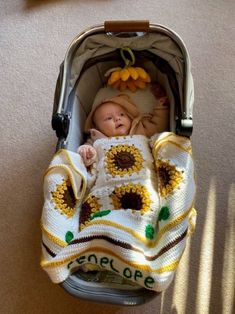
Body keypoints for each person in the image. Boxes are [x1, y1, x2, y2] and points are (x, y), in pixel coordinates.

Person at [77, 91, 169, 166]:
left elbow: (158, 126)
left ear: (129, 117)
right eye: (109, 118)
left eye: (122, 114)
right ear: (98, 128)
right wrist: (86, 152)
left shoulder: (140, 129)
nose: (117, 118)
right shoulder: (96, 140)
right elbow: (88, 156)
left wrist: (161, 107)